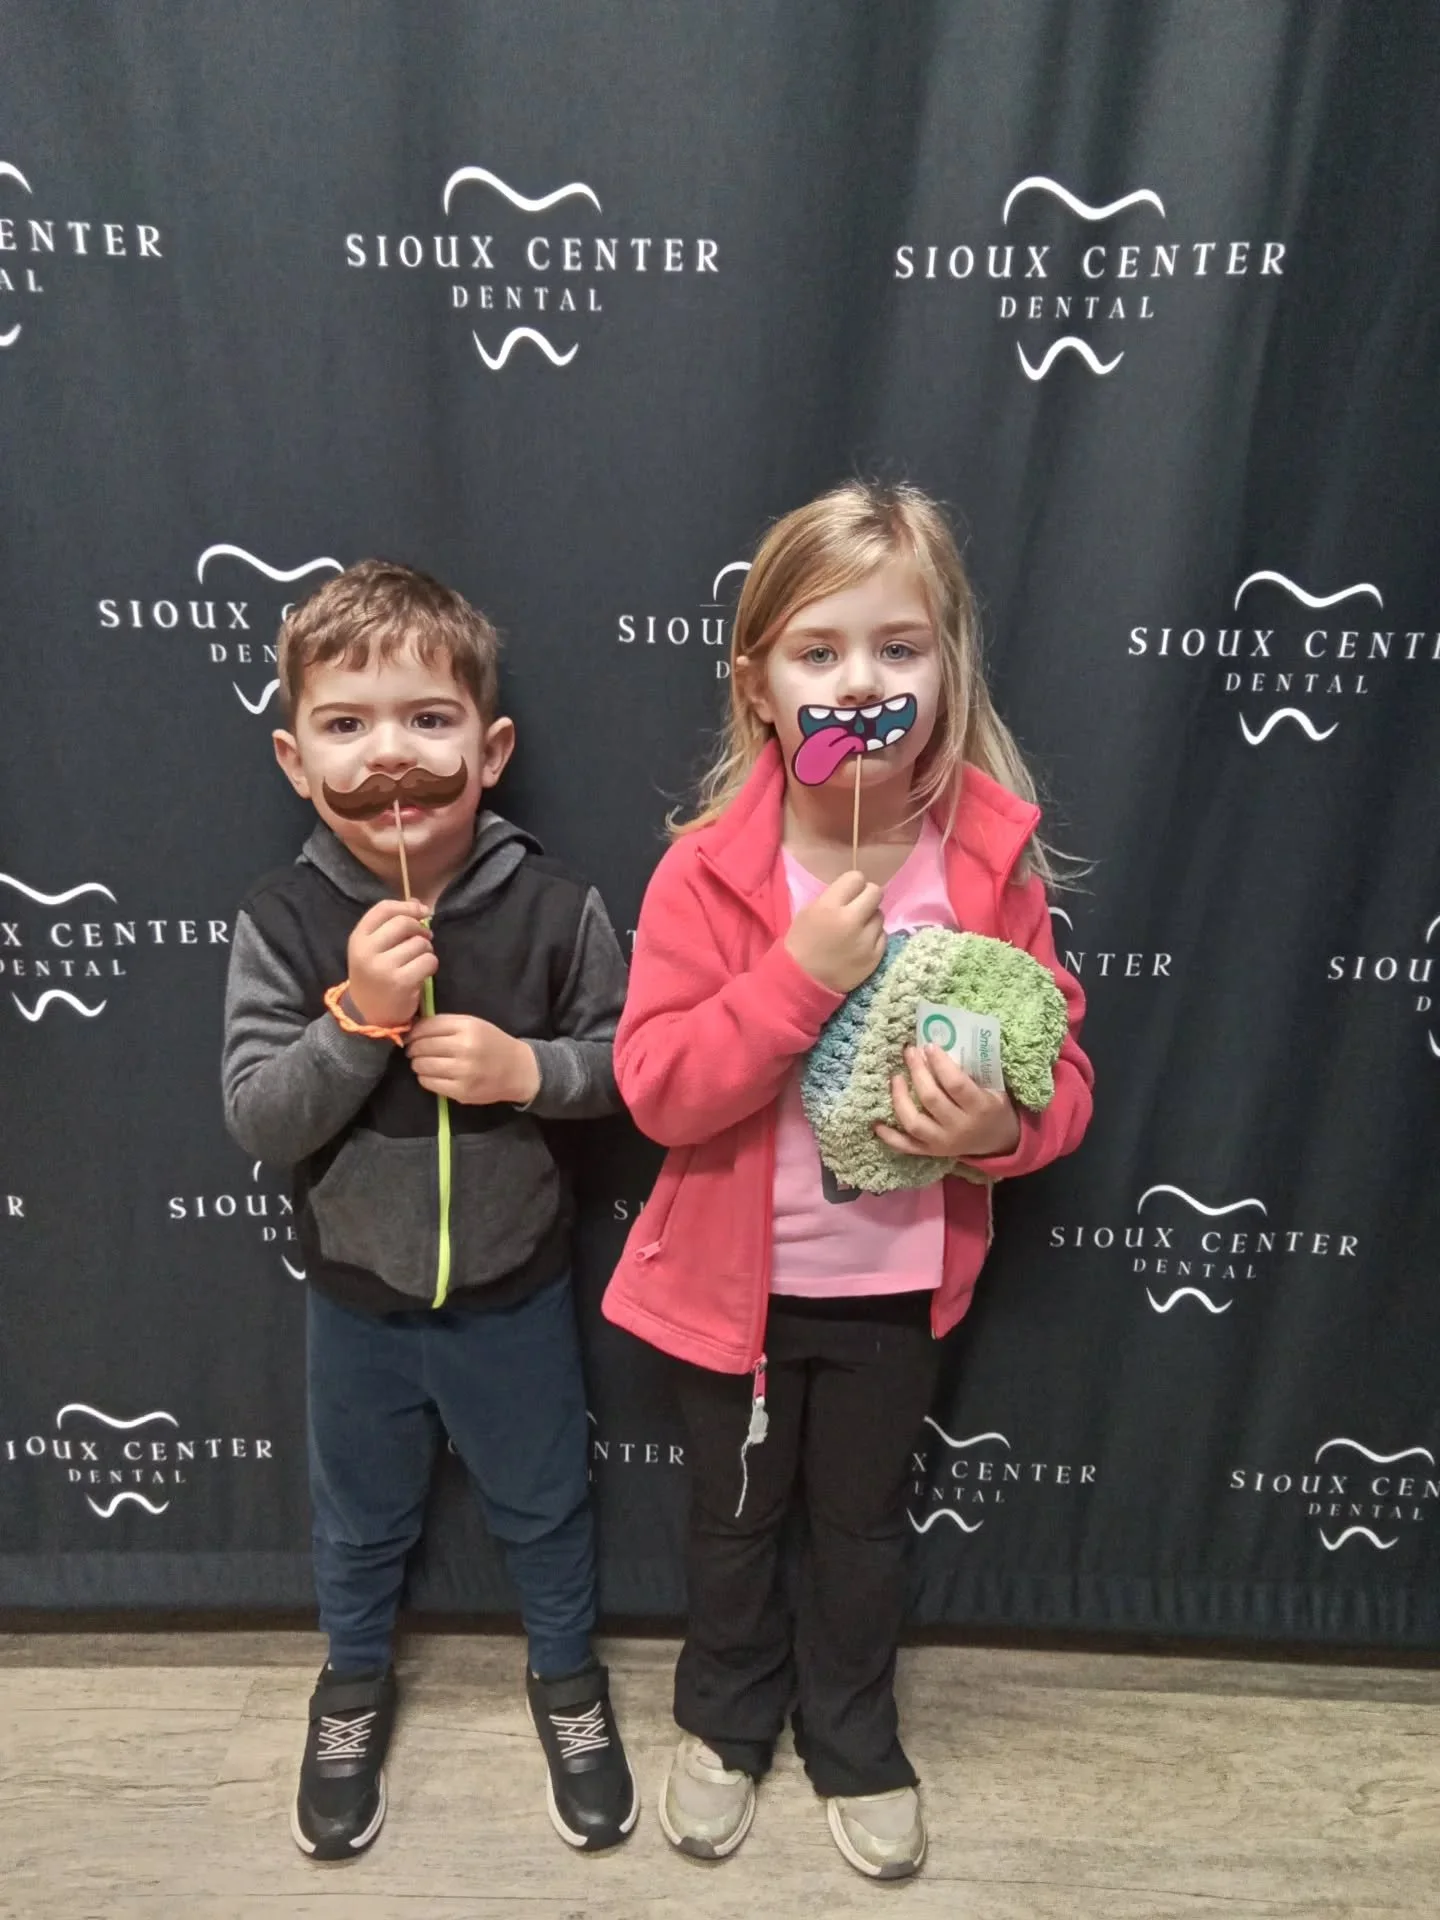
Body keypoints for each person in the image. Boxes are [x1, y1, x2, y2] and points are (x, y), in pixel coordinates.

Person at [603, 482, 1094, 1880]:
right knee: (734, 1526)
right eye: (819, 651)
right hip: (734, 1303)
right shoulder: (706, 874)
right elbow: (659, 1088)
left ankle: (855, 1731)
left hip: (893, 1297)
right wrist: (795, 980)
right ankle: (725, 1720)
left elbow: (1065, 1088)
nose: (861, 680)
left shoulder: (988, 863)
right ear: (758, 685)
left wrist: (992, 1133)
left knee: (864, 1533)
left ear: (947, 670)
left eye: (899, 648)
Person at [222, 560, 636, 1861]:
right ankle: (350, 1685)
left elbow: (634, 1068)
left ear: (491, 746)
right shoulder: (282, 921)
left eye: (427, 720)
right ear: (296, 760)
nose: (388, 758)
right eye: (346, 727)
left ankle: (567, 1679)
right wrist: (358, 1021)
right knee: (358, 1520)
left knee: (545, 1504)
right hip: (356, 1305)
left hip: (518, 1294)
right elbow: (258, 1116)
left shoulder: (560, 906)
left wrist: (528, 1072)